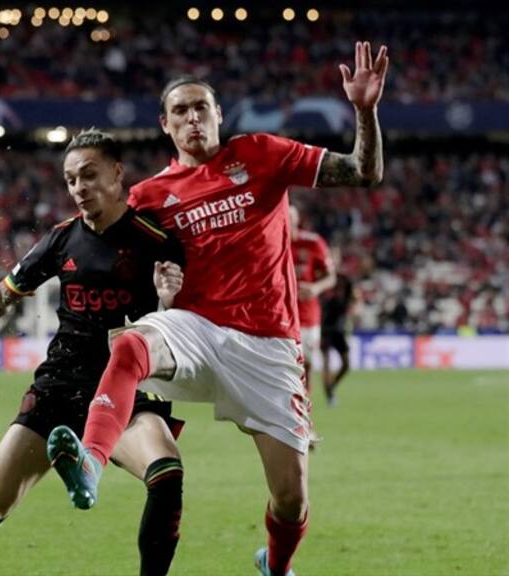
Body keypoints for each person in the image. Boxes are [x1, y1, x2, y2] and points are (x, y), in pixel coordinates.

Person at [47, 41, 388, 576]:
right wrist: (153, 291)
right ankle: (89, 463)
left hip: (268, 344)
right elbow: (94, 247)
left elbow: (363, 172)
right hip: (196, 328)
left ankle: (276, 566)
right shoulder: (147, 196)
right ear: (165, 124)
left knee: (291, 498)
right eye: (180, 110)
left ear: (218, 115)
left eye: (201, 107)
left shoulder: (261, 154)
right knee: (132, 342)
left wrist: (365, 113)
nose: (192, 117)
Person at [0, 129, 187, 576]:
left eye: (89, 175)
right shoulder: (61, 240)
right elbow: (1, 297)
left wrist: (170, 303)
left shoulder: (157, 240)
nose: (79, 188)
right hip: (61, 386)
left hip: (129, 387)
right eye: (71, 180)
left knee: (166, 473)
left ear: (117, 174)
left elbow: (185, 323)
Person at [289, 205, 336, 448]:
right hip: (280, 318)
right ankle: (297, 424)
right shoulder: (270, 241)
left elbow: (331, 277)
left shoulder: (312, 243)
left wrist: (315, 288)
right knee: (289, 372)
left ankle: (305, 423)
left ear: (297, 222)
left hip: (307, 318)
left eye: (289, 220)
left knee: (304, 371)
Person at [320, 247, 358, 406]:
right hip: (323, 327)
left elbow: (354, 298)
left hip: (339, 327)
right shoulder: (320, 278)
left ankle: (331, 387)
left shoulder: (345, 280)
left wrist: (351, 313)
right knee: (326, 361)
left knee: (346, 364)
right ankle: (329, 395)